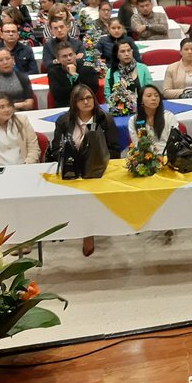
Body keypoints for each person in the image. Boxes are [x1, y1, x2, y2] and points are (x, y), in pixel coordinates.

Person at [48, 83, 122, 256]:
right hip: (71, 169)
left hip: (98, 170)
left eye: (89, 98)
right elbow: (55, 149)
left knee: (89, 194)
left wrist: (96, 160)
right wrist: (68, 159)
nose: (86, 102)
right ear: (74, 103)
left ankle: (88, 233)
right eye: (81, 99)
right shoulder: (64, 121)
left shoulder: (105, 119)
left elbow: (115, 150)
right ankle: (80, 229)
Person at [0, 91, 40, 167]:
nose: (7, 109)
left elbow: (34, 148)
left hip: (24, 167)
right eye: (2, 107)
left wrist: (27, 165)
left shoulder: (23, 121)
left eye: (9, 105)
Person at [104, 38, 152, 117]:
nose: (127, 54)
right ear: (117, 55)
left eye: (129, 50)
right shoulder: (111, 72)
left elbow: (149, 91)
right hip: (120, 113)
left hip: (142, 111)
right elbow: (108, 96)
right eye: (122, 51)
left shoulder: (143, 68)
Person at [127, 84, 174, 156]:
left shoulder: (169, 117)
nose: (154, 98)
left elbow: (173, 142)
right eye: (149, 96)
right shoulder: (133, 120)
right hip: (145, 159)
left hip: (167, 156)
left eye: (156, 96)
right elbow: (137, 144)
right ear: (141, 100)